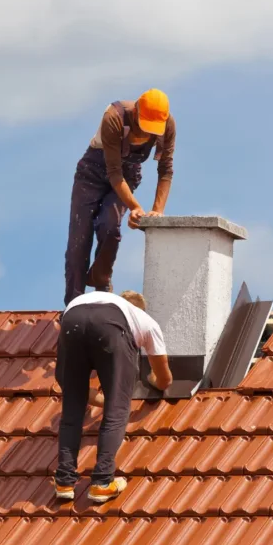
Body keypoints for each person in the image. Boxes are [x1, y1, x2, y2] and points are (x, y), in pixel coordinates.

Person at [55, 289, 173, 503]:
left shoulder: (90, 301)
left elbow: (65, 381)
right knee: (118, 409)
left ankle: (64, 481)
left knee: (72, 409)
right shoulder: (145, 321)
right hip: (107, 330)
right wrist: (153, 381)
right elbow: (165, 378)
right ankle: (102, 482)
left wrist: (96, 400)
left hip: (70, 320)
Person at [64, 89, 176, 306]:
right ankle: (73, 304)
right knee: (79, 240)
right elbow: (113, 171)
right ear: (136, 112)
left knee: (110, 225)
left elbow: (166, 170)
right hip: (92, 173)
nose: (148, 133)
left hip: (128, 174)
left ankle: (102, 285)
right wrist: (135, 206)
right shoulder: (114, 117)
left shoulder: (167, 125)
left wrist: (156, 211)